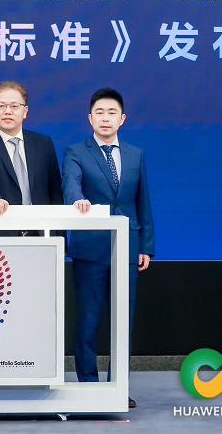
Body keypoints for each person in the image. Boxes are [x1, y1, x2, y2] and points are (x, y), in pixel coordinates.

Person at [62, 87, 155, 408]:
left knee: (122, 322)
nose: (105, 118)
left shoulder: (135, 154)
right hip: (90, 247)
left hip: (127, 246)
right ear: (90, 118)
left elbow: (143, 202)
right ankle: (89, 386)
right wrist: (77, 200)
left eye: (112, 112)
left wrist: (146, 246)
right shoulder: (76, 151)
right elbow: (70, 182)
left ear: (122, 118)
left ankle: (118, 387)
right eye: (99, 112)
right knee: (88, 320)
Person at [0, 81, 63, 235]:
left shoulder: (43, 143)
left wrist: (59, 237)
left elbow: (55, 192)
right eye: (1, 106)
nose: (8, 111)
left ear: (25, 111)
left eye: (14, 106)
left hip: (40, 234)